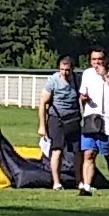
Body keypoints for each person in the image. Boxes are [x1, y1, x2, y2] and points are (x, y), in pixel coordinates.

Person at [79, 46, 109, 194]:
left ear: (105, 59)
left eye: (100, 59)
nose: (97, 62)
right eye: (94, 59)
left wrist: (106, 76)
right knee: (88, 153)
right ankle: (86, 187)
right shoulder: (87, 74)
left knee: (108, 155)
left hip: (108, 122)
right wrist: (83, 97)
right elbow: (82, 93)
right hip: (91, 120)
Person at [39, 53, 89, 191]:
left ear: (72, 69)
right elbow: (42, 102)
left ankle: (79, 181)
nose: (64, 73)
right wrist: (42, 126)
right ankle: (56, 183)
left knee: (78, 152)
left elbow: (83, 99)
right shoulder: (53, 81)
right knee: (57, 150)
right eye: (62, 69)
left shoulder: (77, 80)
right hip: (57, 119)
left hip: (73, 119)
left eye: (67, 70)